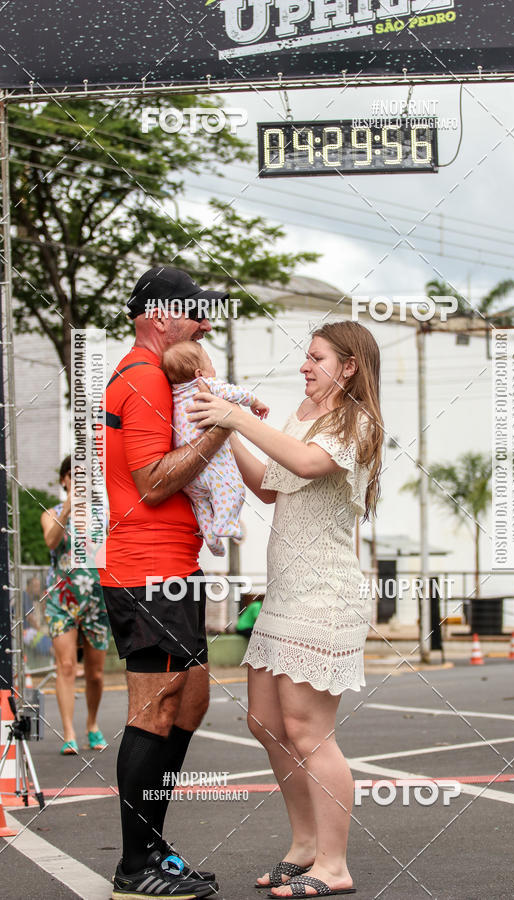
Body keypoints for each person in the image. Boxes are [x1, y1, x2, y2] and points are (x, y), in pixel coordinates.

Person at [190, 320, 383, 899]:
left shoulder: (360, 424)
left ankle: (334, 864)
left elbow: (304, 465)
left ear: (347, 366)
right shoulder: (304, 417)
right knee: (267, 723)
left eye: (316, 357)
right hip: (284, 593)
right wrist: (226, 431)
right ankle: (303, 848)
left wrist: (239, 417)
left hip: (324, 597)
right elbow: (272, 484)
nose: (304, 365)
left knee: (309, 731)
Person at [98, 266, 231, 900]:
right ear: (158, 315)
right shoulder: (144, 377)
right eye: (193, 312)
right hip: (145, 570)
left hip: (173, 569)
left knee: (192, 700)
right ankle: (135, 864)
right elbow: (154, 482)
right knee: (154, 710)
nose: (203, 323)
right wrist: (222, 425)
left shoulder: (154, 375)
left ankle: (152, 845)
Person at [161, 340, 269, 556]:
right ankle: (225, 525)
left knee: (202, 504)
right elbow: (235, 393)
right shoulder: (206, 385)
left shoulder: (174, 395)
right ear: (199, 372)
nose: (214, 369)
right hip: (213, 466)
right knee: (234, 490)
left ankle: (211, 538)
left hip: (188, 472)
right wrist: (255, 401)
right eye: (210, 363)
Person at [41, 455, 110, 755]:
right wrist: (68, 508)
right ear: (64, 480)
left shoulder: (103, 515)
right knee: (66, 666)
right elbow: (51, 542)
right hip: (63, 598)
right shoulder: (52, 513)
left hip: (97, 598)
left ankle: (92, 725)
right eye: (74, 474)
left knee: (95, 673)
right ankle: (68, 732)